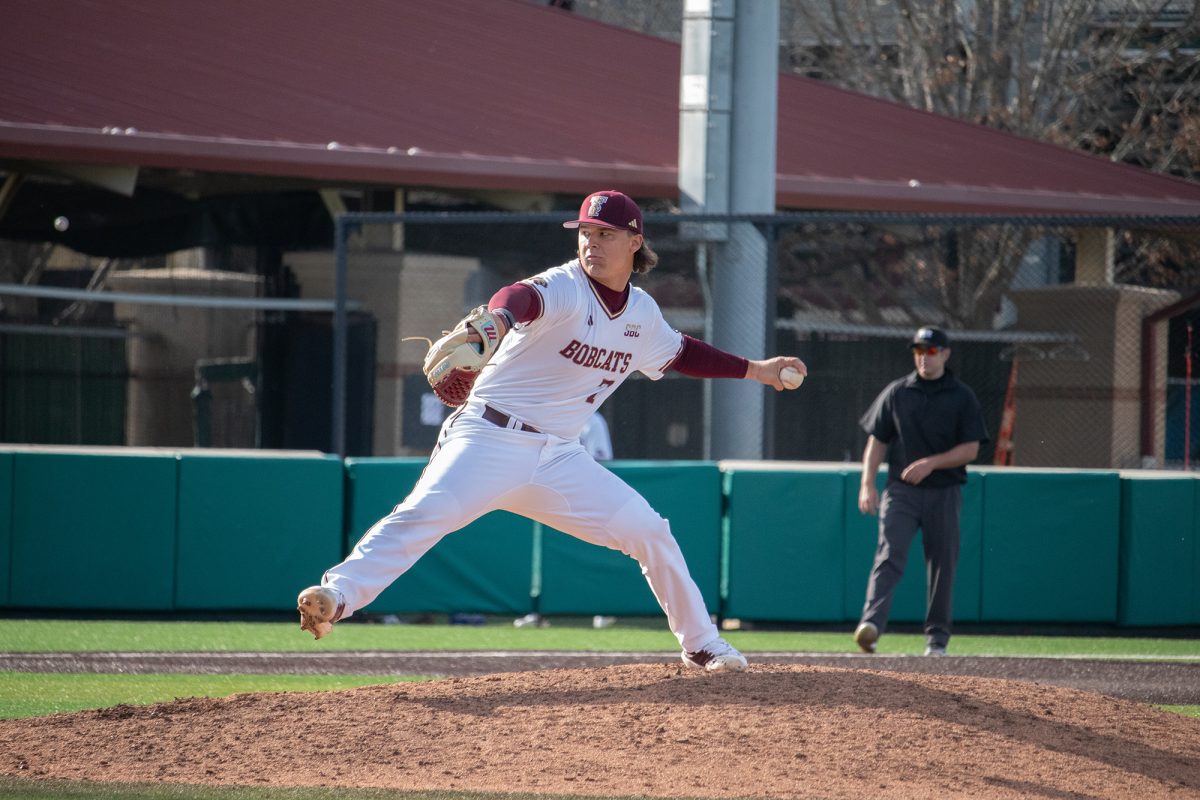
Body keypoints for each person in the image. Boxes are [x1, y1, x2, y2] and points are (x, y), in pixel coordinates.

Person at [297, 189, 807, 673]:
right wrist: (497, 319)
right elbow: (519, 297)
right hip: (487, 437)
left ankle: (701, 645)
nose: (591, 242)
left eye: (606, 233)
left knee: (650, 531)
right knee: (425, 515)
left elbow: (683, 354)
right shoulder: (566, 286)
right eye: (585, 231)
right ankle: (336, 596)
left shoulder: (642, 315)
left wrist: (756, 369)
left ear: (635, 242)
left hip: (559, 456)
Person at [852, 326, 988, 657]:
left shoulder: (961, 395)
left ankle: (937, 638)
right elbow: (877, 441)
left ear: (945, 354)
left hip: (944, 490)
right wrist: (867, 484)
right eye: (918, 351)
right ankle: (870, 626)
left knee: (942, 564)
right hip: (902, 491)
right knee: (890, 553)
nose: (923, 358)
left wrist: (932, 463)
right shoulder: (898, 392)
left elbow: (971, 449)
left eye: (930, 351)